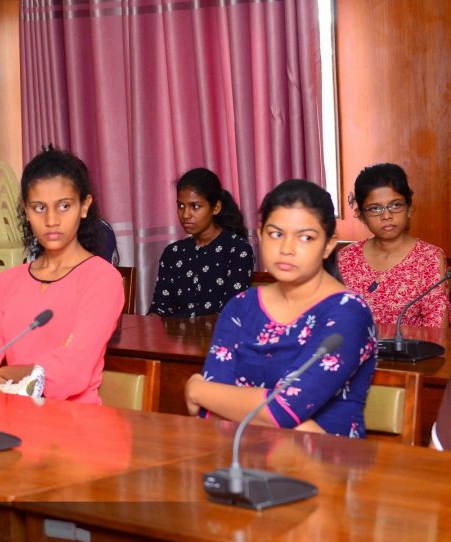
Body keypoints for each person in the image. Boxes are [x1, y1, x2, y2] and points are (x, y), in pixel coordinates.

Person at [185, 180, 376, 438]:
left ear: (329, 245)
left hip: (324, 459)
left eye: (305, 238)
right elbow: (210, 413)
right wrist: (292, 426)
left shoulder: (348, 312)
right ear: (260, 234)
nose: (287, 249)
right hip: (240, 455)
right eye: (276, 234)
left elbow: (285, 410)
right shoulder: (241, 306)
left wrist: (197, 391)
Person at [0, 148, 124, 404]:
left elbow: (70, 375)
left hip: (75, 421)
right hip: (9, 418)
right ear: (25, 210)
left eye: (64, 206)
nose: (51, 220)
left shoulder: (103, 279)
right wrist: (23, 378)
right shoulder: (6, 282)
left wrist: (4, 373)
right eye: (39, 208)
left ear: (84, 206)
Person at [338, 163, 447, 328]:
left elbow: (437, 330)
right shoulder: (346, 257)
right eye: (375, 208)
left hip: (413, 345)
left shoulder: (429, 257)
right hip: (353, 344)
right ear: (361, 215)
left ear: (409, 208)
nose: (386, 216)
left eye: (395, 205)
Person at [149, 167, 254, 317]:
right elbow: (159, 308)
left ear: (216, 208)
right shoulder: (173, 253)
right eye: (181, 206)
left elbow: (232, 313)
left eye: (195, 206)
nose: (185, 215)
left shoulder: (237, 250)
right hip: (172, 332)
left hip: (218, 331)